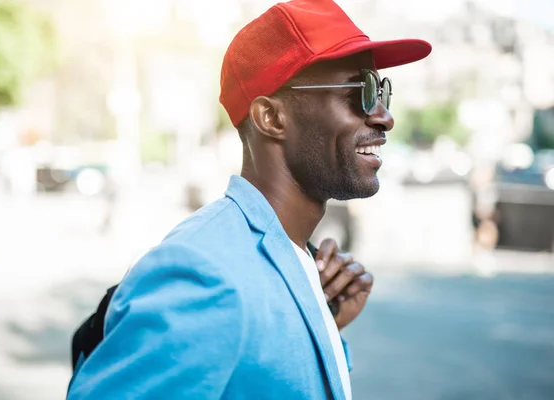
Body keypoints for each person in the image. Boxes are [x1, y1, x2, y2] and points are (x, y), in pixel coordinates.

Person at [66, 1, 431, 399]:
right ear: (271, 118)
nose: (383, 116)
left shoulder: (297, 262)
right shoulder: (205, 273)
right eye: (360, 92)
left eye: (382, 91)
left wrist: (318, 324)